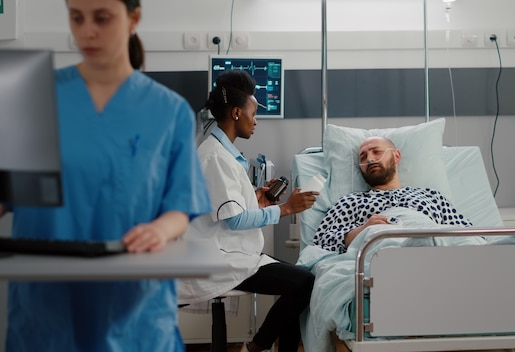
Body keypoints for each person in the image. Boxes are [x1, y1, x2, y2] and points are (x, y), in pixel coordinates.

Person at [0, 0, 211, 351]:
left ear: (134, 18)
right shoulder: (33, 98)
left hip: (134, 308)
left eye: (102, 18)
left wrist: (158, 230)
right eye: (76, 17)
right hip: (47, 307)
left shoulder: (169, 111)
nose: (87, 30)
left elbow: (180, 206)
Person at [178, 70, 317, 352]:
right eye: (254, 113)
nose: (256, 121)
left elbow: (227, 207)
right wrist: (287, 209)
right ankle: (255, 348)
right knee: (304, 283)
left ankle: (260, 347)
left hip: (233, 252)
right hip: (219, 257)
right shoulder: (215, 157)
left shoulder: (222, 152)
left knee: (299, 282)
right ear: (237, 113)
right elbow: (234, 220)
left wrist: (257, 199)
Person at [313, 135, 472, 253]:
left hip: (439, 247)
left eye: (376, 152)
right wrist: (364, 229)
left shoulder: (431, 196)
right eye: (363, 156)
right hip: (383, 249)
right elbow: (321, 243)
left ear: (396, 156)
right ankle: (419, 248)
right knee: (419, 244)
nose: (369, 159)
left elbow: (465, 231)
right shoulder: (349, 202)